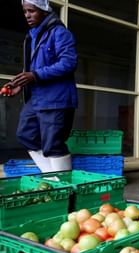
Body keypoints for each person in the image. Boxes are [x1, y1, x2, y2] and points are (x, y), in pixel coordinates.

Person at [2, 0, 78, 172]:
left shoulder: (60, 33)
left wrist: (35, 76)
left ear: (44, 11)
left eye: (32, 11)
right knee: (25, 135)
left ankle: (61, 186)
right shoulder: (32, 36)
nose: (27, 15)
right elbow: (32, 69)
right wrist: (20, 83)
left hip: (56, 99)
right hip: (36, 97)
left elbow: (69, 63)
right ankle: (51, 176)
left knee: (53, 144)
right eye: (25, 11)